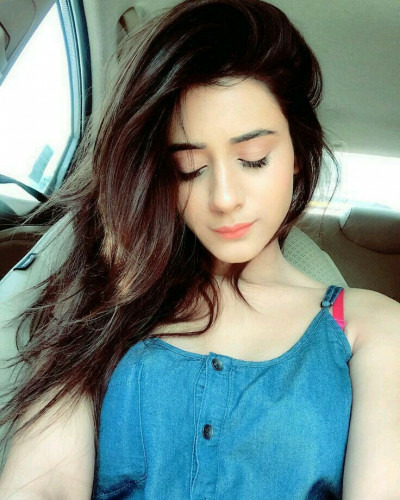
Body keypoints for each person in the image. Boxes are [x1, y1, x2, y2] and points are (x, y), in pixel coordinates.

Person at [0, 0, 399, 498]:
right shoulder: (103, 302)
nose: (224, 198)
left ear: (297, 152)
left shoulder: (372, 327)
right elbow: (44, 487)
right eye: (190, 168)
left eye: (253, 159)